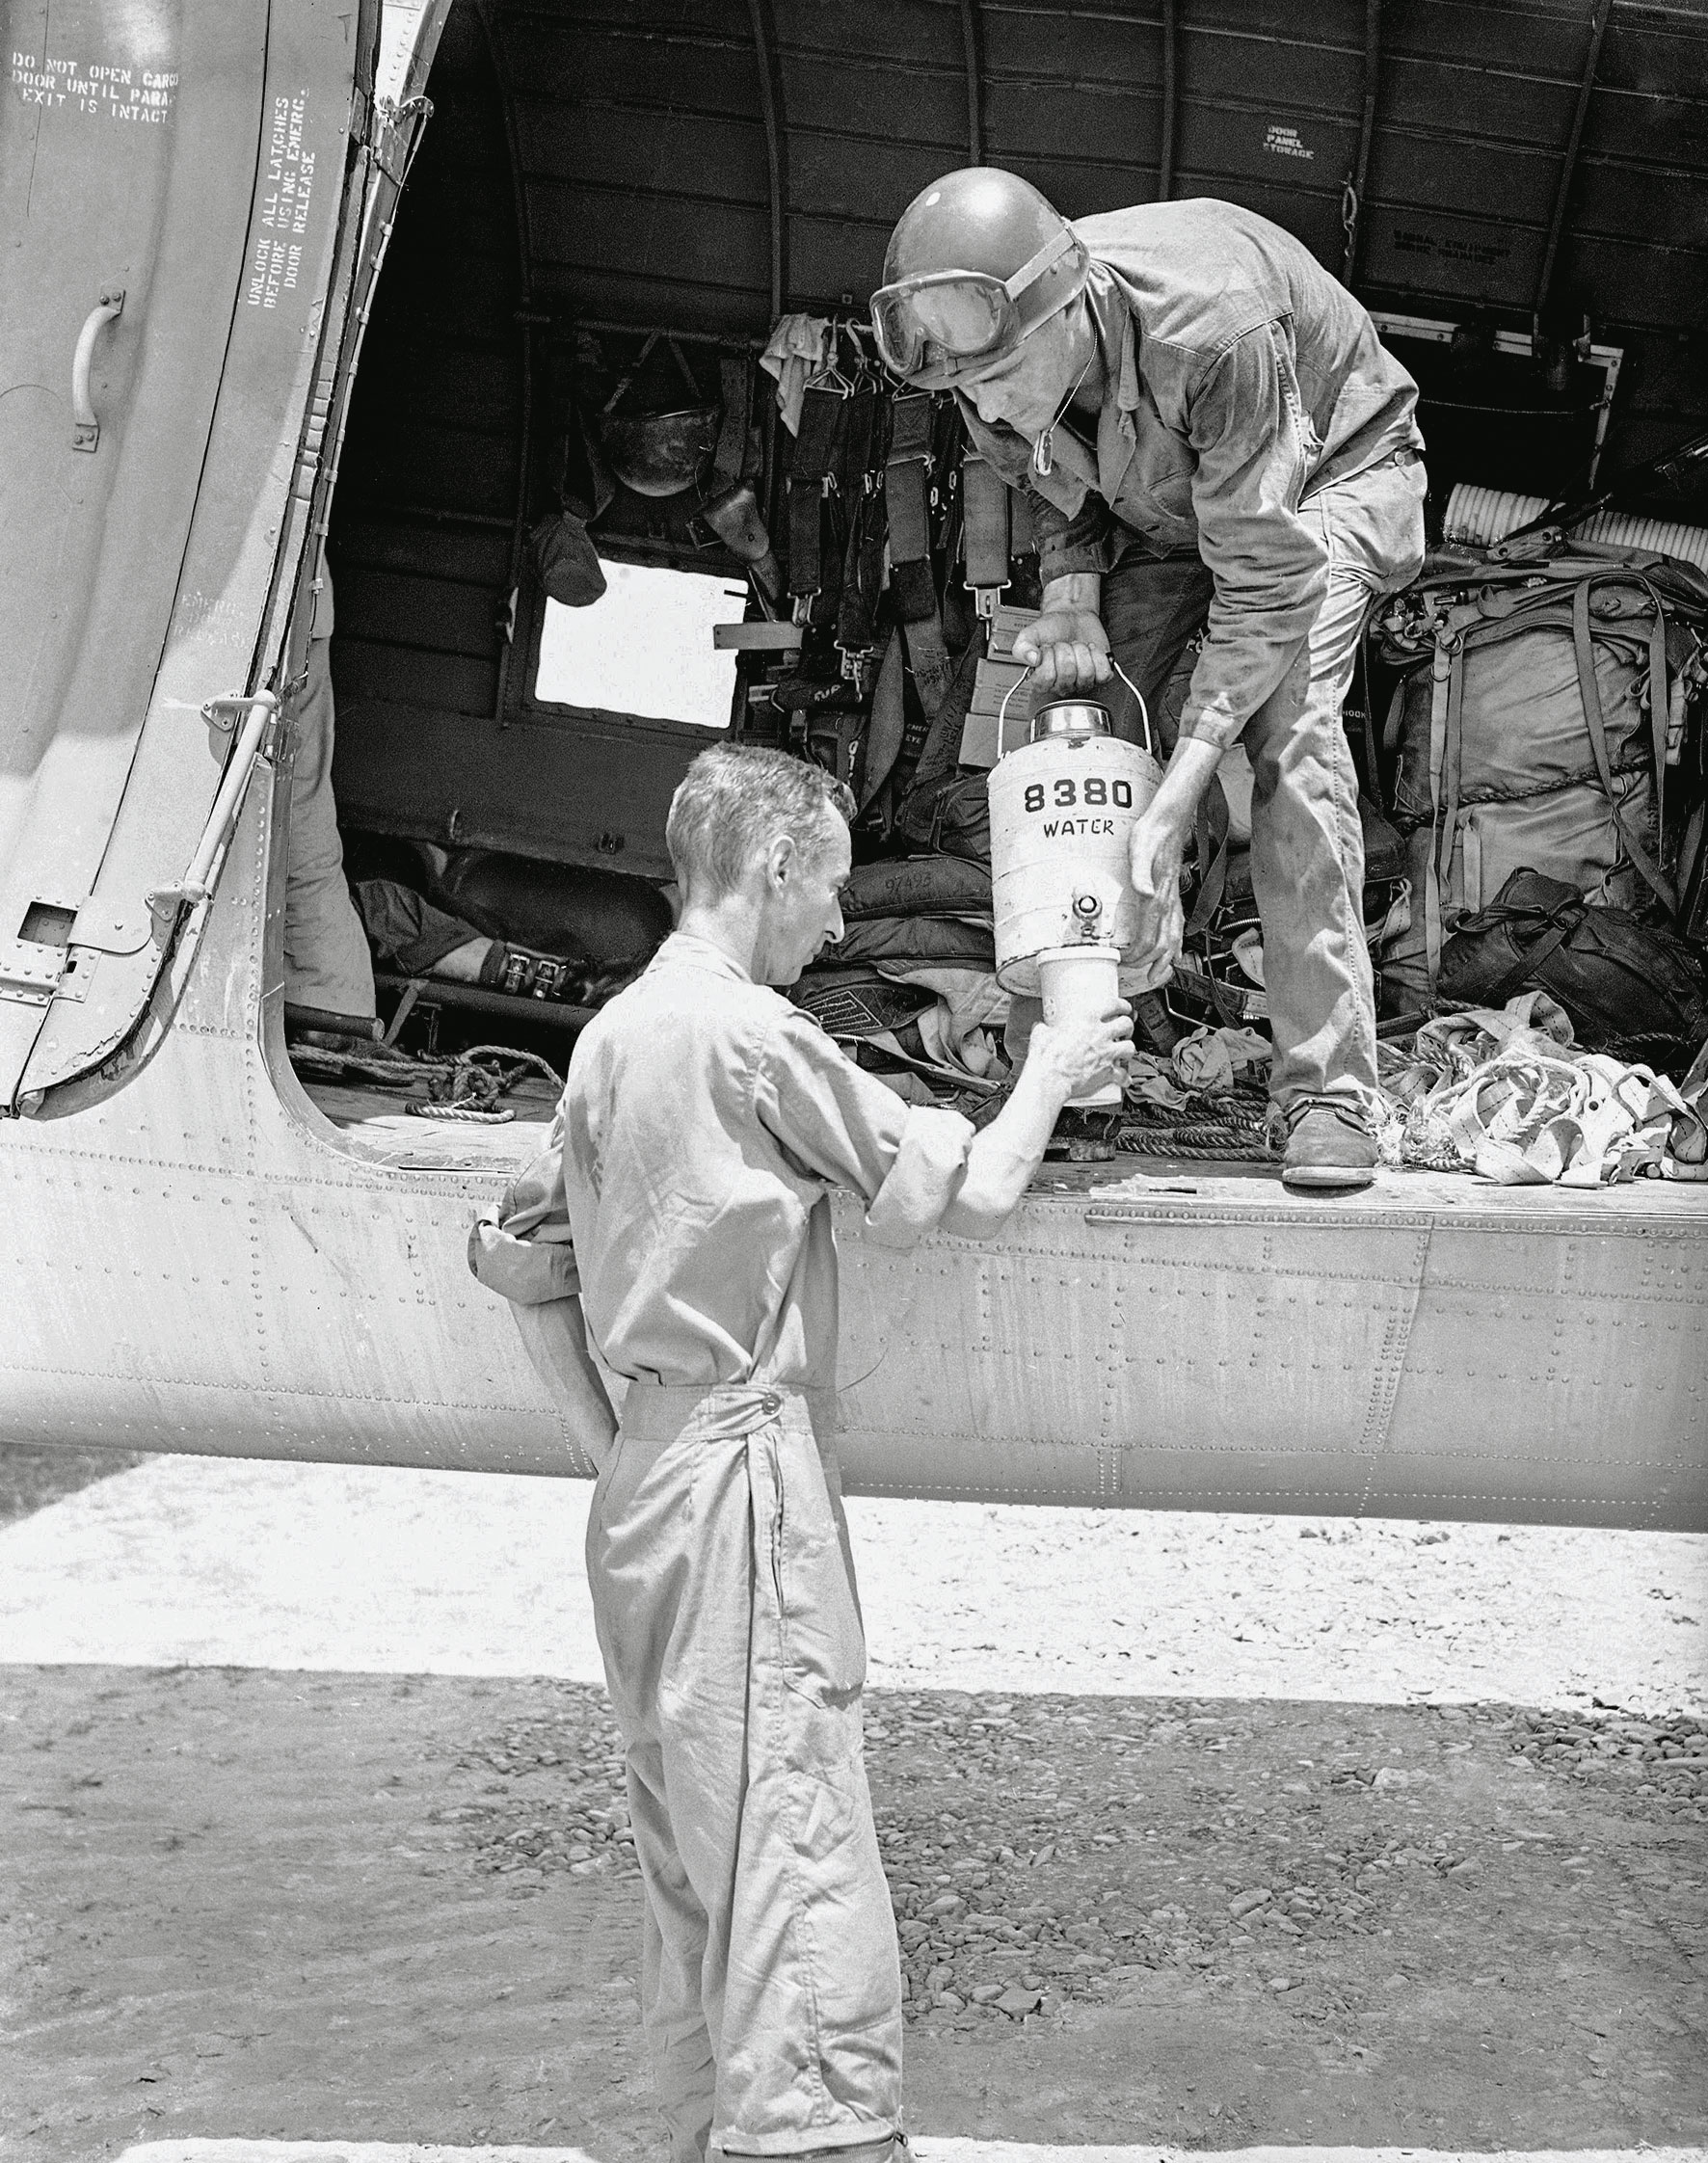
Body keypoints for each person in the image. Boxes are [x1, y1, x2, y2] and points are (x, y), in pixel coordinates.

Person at [468, 744, 1133, 2163]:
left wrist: (627, 1449)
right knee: (793, 1844)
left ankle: (684, 2128)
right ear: (774, 869)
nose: (838, 923)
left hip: (648, 1493)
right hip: (741, 1480)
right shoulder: (754, 1037)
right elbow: (970, 1191)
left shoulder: (614, 1034)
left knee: (695, 1856)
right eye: (828, 887)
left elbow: (525, 1263)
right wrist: (1055, 1068)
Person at [872, 170, 1428, 1189]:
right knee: (1075, 730)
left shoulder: (1211, 328)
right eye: (964, 391)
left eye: (997, 379)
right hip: (1170, 502)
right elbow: (1044, 474)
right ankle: (1065, 1074)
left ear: (1068, 310)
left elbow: (1262, 587)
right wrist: (1073, 590)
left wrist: (1175, 793)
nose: (983, 407)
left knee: (1287, 728)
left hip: (1319, 484)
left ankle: (1326, 1093)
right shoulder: (985, 357)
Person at [281, 551, 378, 1024]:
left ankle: (327, 1000)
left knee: (299, 812)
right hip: (305, 608)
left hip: (293, 612)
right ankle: (333, 998)